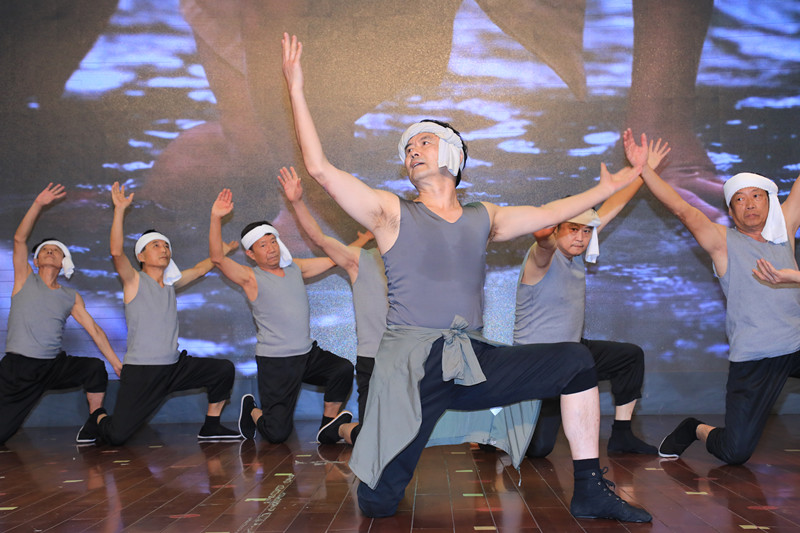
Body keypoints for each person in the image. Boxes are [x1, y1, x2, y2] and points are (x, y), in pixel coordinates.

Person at [281, 33, 652, 522]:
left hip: (470, 359)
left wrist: (611, 186)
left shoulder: (483, 216)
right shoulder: (391, 214)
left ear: (453, 156)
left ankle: (589, 489)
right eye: (408, 148)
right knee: (377, 503)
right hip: (413, 368)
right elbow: (320, 169)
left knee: (577, 361)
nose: (412, 150)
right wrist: (295, 87)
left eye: (424, 141)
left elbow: (548, 212)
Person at [623, 129, 800, 465]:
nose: (750, 204)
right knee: (736, 451)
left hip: (796, 346)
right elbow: (683, 209)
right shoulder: (723, 242)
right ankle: (694, 428)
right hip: (755, 357)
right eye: (739, 199)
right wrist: (644, 169)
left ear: (770, 202)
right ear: (731, 212)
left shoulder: (784, 233)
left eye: (756, 196)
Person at [516, 139, 669, 458]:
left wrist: (643, 171)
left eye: (586, 231)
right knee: (539, 450)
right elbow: (543, 248)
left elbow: (613, 205)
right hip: (537, 361)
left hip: (572, 353)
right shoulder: (542, 256)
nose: (581, 237)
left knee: (629, 356)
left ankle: (622, 435)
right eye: (573, 229)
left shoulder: (577, 253)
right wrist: (542, 237)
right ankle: (493, 433)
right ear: (556, 229)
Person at [90, 182, 241, 446]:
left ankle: (211, 425)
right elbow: (116, 252)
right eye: (155, 245)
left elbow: (199, 269)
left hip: (174, 367)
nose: (163, 249)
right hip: (143, 372)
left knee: (223, 370)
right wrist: (120, 210)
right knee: (116, 436)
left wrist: (223, 253)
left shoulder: (171, 283)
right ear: (141, 256)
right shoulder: (134, 281)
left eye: (166, 246)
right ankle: (97, 416)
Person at [208, 188, 355, 445]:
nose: (271, 249)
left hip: (307, 355)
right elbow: (218, 259)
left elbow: (336, 259)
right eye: (263, 245)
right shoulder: (251, 278)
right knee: (277, 434)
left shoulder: (295, 267)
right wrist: (215, 218)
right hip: (276, 362)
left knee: (341, 369)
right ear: (251, 254)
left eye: (273, 241)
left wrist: (363, 242)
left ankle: (327, 424)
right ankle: (252, 411)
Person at [0, 183, 122, 446]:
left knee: (94, 368)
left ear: (64, 262)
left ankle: (94, 422)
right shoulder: (25, 279)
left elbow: (94, 330)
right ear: (35, 261)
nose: (49, 251)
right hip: (18, 368)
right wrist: (38, 204)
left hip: (52, 366)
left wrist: (116, 363)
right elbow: (19, 239)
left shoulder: (70, 296)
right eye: (44, 249)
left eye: (55, 250)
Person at [278, 165, 388, 445]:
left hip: (412, 356)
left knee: (408, 431)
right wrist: (297, 202)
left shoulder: (418, 262)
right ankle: (337, 430)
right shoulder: (360, 259)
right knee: (373, 439)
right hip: (374, 358)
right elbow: (319, 238)